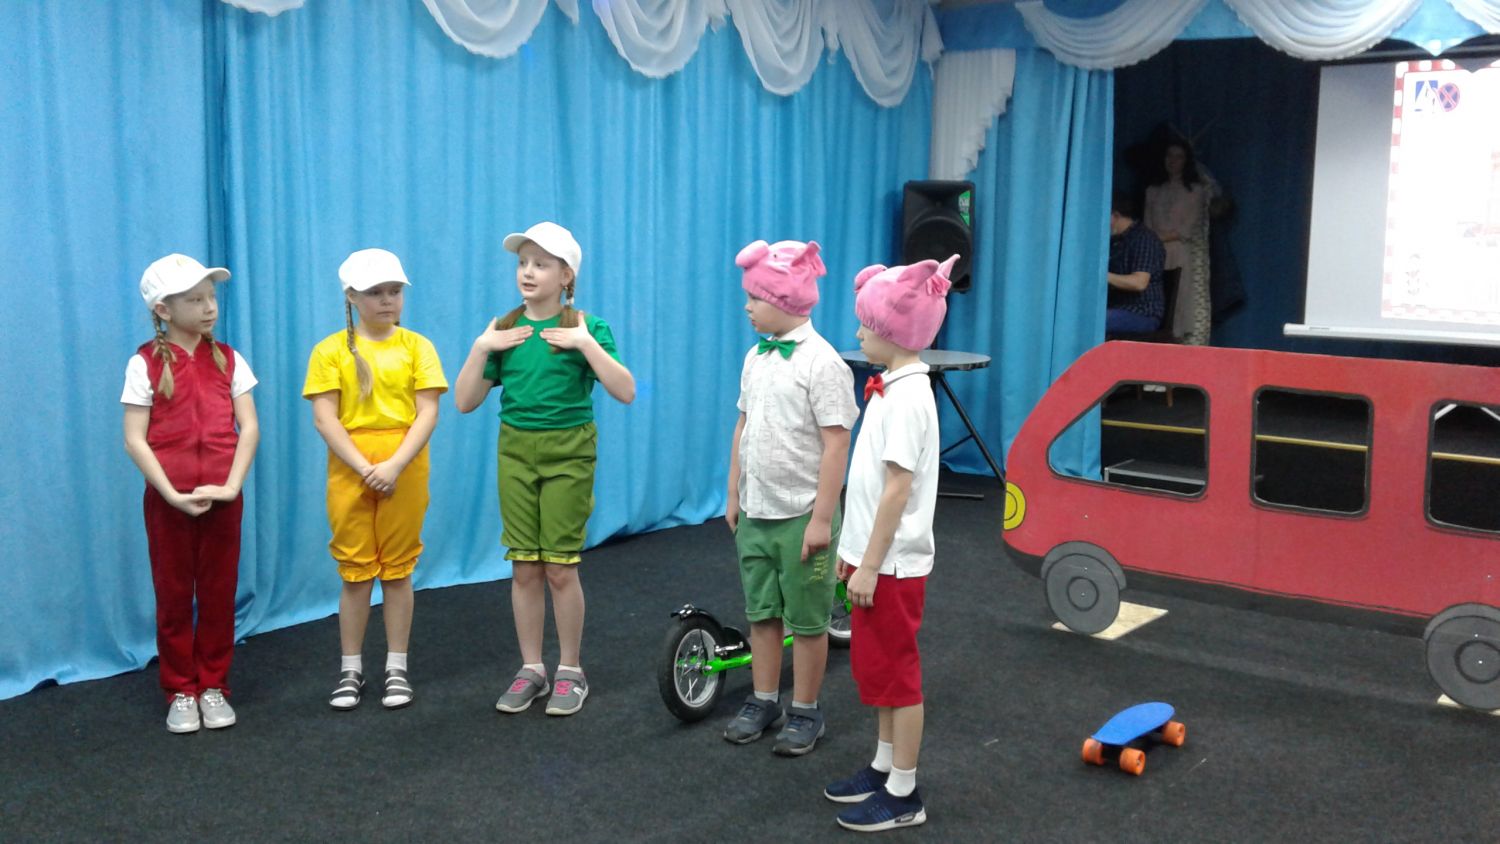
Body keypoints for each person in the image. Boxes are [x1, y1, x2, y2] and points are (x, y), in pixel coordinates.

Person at [453, 222, 634, 717]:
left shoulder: (587, 326)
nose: (527, 272)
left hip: (569, 453)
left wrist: (585, 344)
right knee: (524, 566)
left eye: (541, 264)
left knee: (559, 566)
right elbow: (464, 401)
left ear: (566, 275)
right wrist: (481, 347)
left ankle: (570, 670)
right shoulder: (505, 328)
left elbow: (625, 390)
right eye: (522, 263)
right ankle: (532, 668)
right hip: (515, 453)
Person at [823, 255, 954, 832]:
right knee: (876, 670)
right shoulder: (889, 388)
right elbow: (872, 484)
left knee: (898, 675)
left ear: (894, 331)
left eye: (865, 324)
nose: (857, 333)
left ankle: (905, 791)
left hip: (893, 567)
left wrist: (871, 565)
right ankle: (883, 766)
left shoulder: (907, 397)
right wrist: (852, 555)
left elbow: (897, 490)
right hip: (873, 560)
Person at [722, 239, 857, 756]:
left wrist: (822, 519)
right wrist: (733, 491)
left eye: (754, 298)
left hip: (802, 516)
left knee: (806, 620)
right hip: (757, 511)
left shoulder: (823, 364)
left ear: (784, 300)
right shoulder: (754, 358)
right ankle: (763, 699)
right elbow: (743, 426)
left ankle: (805, 709)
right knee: (761, 614)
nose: (747, 307)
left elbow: (837, 443)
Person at [303, 248, 447, 711]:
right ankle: (351, 669)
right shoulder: (329, 352)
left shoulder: (417, 347)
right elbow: (325, 418)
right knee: (356, 570)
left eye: (394, 291)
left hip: (405, 465)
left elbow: (427, 412)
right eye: (375, 292)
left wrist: (395, 465)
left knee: (398, 569)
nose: (387, 300)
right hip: (350, 468)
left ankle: (396, 666)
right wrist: (364, 467)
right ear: (351, 296)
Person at [122, 253, 260, 734]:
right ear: (163, 310)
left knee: (219, 595)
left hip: (223, 498)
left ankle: (214, 684)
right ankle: (181, 689)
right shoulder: (143, 364)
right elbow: (135, 439)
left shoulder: (230, 360)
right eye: (195, 300)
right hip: (169, 504)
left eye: (211, 297)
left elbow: (249, 427)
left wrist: (232, 485)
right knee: (175, 596)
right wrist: (170, 494)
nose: (209, 308)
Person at [1145, 138, 1214, 344]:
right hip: (1155, 253)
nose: (1173, 161)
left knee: (1179, 301)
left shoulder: (1195, 191)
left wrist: (1157, 237)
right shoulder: (1153, 190)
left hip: (1179, 253)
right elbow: (1147, 225)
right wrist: (1152, 241)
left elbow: (1186, 229)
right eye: (1169, 156)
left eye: (1179, 157)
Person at [1106, 191, 1167, 335]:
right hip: (1118, 308)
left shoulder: (1144, 238)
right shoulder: (1116, 241)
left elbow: (1139, 283)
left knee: (1094, 321)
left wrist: (1103, 275)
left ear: (1115, 215)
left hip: (1142, 313)